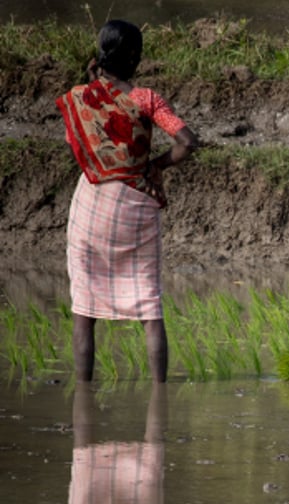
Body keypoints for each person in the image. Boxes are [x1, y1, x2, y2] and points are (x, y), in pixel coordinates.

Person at [56, 20, 199, 382]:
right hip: (136, 206)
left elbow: (81, 138)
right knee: (150, 308)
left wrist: (93, 76)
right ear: (134, 57)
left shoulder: (81, 96)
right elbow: (187, 142)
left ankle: (84, 394)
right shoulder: (145, 98)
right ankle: (158, 394)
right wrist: (156, 164)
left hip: (90, 205)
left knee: (84, 311)